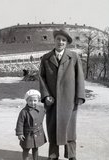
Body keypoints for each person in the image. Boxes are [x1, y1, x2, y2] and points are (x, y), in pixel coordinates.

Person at [39, 28, 86, 160]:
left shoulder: (74, 57)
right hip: (52, 101)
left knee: (70, 130)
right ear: (54, 40)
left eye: (64, 40)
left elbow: (79, 77)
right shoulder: (46, 58)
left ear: (67, 43)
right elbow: (41, 78)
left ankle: (71, 155)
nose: (60, 42)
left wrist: (80, 96)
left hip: (69, 100)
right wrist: (46, 95)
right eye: (58, 39)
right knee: (53, 128)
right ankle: (53, 156)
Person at [15, 89, 47, 160]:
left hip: (37, 133)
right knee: (26, 149)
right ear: (27, 101)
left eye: (35, 100)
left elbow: (47, 110)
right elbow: (20, 123)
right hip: (27, 134)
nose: (32, 103)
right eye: (30, 101)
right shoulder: (24, 112)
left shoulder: (41, 109)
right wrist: (20, 133)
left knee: (35, 148)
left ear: (38, 100)